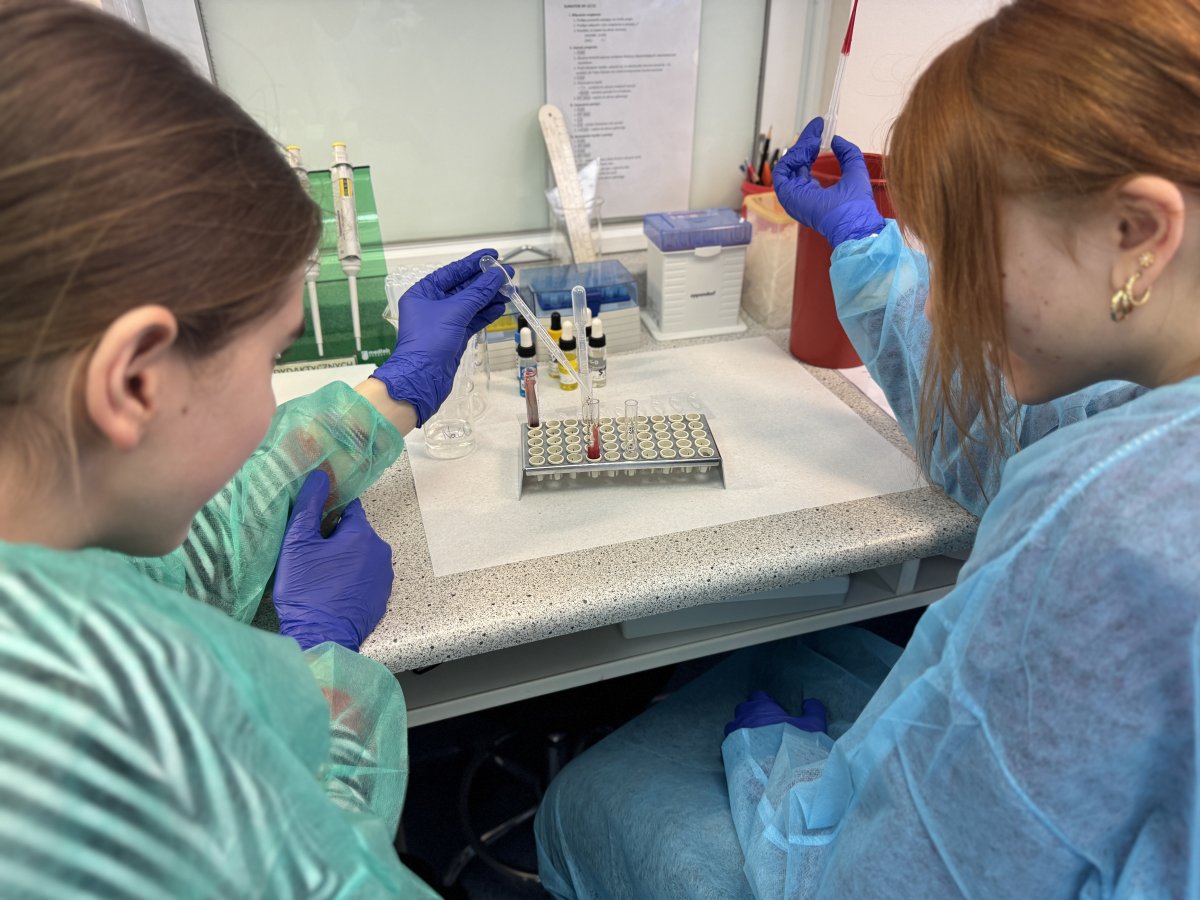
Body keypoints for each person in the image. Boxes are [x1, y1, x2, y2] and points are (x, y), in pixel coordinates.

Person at [534, 0, 1200, 896]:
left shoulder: (1110, 522)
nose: (941, 302)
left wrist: (776, 783)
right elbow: (996, 447)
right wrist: (865, 247)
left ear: (1139, 232)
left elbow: (896, 879)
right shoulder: (1148, 420)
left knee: (591, 796)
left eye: (966, 255)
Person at [0, 1, 509, 896]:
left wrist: (398, 389)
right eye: (272, 356)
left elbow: (187, 543)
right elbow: (321, 872)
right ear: (135, 381)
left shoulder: (42, 526)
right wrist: (325, 662)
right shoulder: (110, 720)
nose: (269, 392)